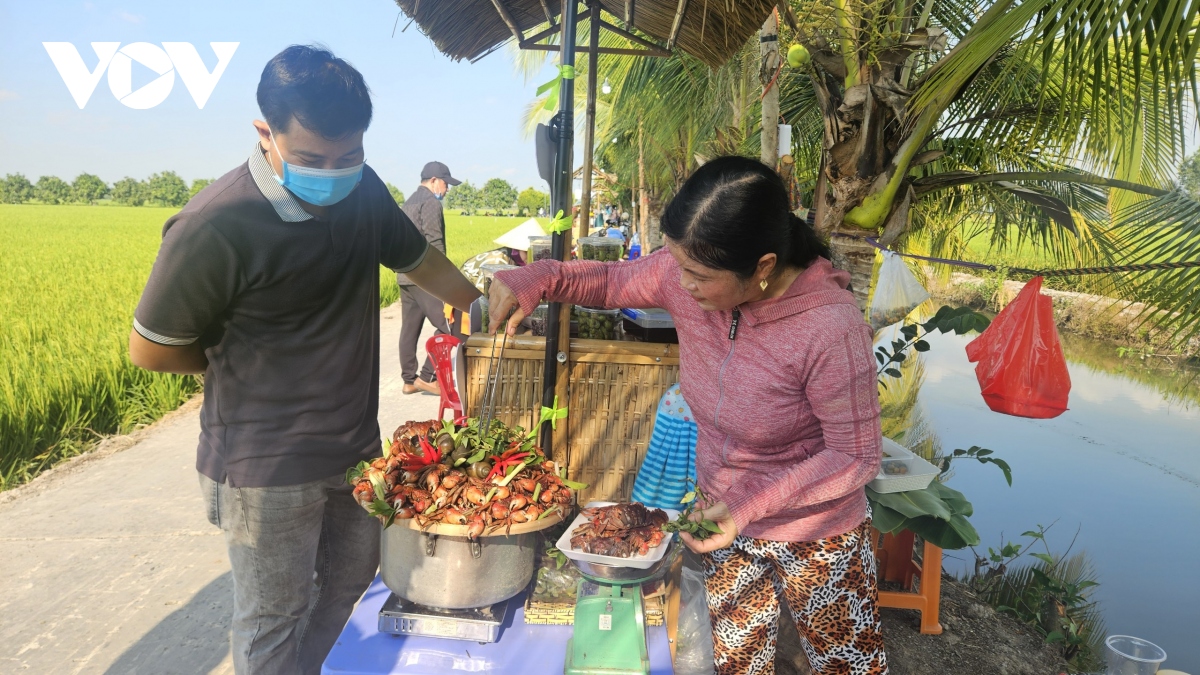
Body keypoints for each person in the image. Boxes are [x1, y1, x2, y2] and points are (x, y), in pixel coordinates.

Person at [127, 45, 480, 675]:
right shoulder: (217, 223)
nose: (333, 173)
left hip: (354, 451)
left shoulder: (364, 192)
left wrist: (479, 309)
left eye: (349, 156)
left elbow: (419, 261)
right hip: (264, 467)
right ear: (266, 132)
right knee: (272, 621)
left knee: (349, 594)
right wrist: (240, 367)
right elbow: (151, 347)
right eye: (312, 159)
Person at [489, 156, 887, 675]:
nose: (680, 284)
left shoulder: (830, 328)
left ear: (762, 267)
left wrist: (747, 505)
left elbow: (856, 456)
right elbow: (611, 283)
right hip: (722, 515)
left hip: (818, 531)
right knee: (739, 663)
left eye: (698, 275)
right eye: (677, 265)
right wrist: (540, 276)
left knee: (848, 665)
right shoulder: (684, 275)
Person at [397, 161, 461, 396]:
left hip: (405, 274)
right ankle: (427, 378)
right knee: (449, 326)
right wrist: (444, 277)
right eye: (446, 184)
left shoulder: (408, 202)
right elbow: (434, 242)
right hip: (424, 277)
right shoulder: (430, 202)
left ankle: (409, 380)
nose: (447, 189)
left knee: (409, 329)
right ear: (434, 181)